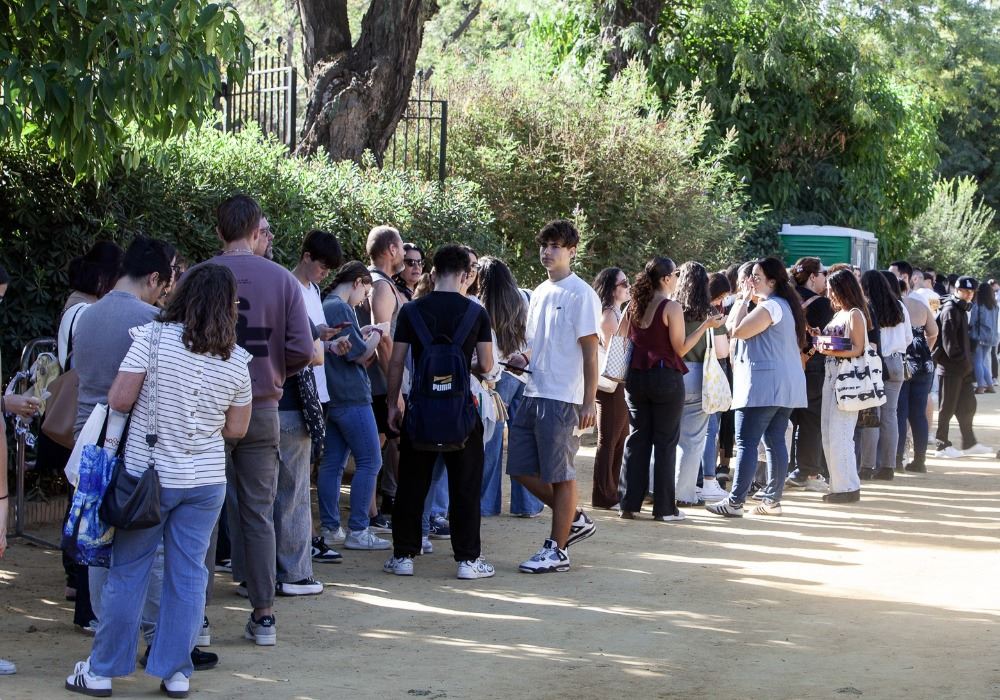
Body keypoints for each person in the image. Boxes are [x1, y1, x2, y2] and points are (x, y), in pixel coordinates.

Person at [65, 264, 253, 698]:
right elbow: (237, 428)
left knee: (128, 572)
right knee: (188, 577)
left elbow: (119, 399)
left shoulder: (151, 340)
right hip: (206, 481)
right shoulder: (237, 360)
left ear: (183, 295)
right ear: (227, 307)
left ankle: (102, 670)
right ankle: (176, 671)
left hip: (147, 479)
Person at [206, 195, 314, 646]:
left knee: (203, 512)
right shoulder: (283, 279)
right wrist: (275, 372)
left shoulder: (199, 276)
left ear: (219, 231)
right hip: (263, 404)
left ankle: (197, 617)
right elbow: (303, 349)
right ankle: (264, 614)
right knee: (259, 512)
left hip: (207, 409)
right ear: (256, 232)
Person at [383, 244, 496, 579]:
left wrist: (392, 403)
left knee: (411, 484)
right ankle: (467, 560)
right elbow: (487, 364)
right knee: (465, 485)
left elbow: (397, 362)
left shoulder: (411, 311)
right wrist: (460, 366)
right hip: (461, 411)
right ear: (465, 275)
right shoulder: (476, 312)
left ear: (433, 273)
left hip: (421, 409)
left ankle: (403, 556)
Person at [505, 220, 601, 573]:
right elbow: (536, 343)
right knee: (520, 469)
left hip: (563, 396)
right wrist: (523, 358)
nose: (548, 252)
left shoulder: (582, 294)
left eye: (556, 245)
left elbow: (590, 352)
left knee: (561, 474)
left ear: (572, 251)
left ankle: (557, 550)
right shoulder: (540, 291)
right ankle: (573, 518)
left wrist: (589, 401)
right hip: (532, 390)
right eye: (544, 245)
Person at [271, 230, 345, 597]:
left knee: (298, 483)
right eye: (321, 266)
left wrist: (327, 344)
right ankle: (292, 569)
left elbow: (311, 343)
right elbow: (297, 344)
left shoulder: (313, 291)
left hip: (315, 392)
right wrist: (317, 341)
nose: (323, 273)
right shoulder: (288, 287)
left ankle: (288, 559)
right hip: (294, 395)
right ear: (306, 256)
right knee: (292, 488)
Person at [707, 257, 807, 517]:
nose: (751, 281)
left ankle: (735, 501)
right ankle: (772, 500)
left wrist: (743, 299)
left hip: (763, 385)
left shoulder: (770, 306)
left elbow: (736, 330)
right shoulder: (783, 305)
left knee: (746, 442)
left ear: (772, 281)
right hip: (783, 385)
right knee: (774, 441)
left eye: (757, 277)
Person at [316, 262, 387, 553]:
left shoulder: (326, 304)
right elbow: (360, 354)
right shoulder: (340, 307)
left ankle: (331, 527)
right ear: (358, 282)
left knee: (332, 462)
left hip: (333, 396)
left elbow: (350, 345)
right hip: (352, 396)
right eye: (366, 292)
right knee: (371, 460)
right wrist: (379, 333)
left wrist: (363, 332)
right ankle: (359, 528)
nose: (363, 300)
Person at [479, 256, 544, 517]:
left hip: (497, 375)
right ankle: (527, 504)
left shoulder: (482, 304)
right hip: (523, 374)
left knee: (491, 443)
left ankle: (485, 504)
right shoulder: (524, 298)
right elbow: (535, 338)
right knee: (524, 440)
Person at [356, 225, 409, 530]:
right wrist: (395, 390)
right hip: (380, 384)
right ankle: (371, 516)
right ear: (391, 249)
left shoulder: (378, 284)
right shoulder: (381, 286)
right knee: (375, 452)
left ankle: (373, 514)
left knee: (375, 450)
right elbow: (382, 339)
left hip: (380, 383)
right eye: (401, 247)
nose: (403, 253)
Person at [673, 262, 728, 507]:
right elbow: (723, 351)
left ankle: (656, 487)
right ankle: (684, 493)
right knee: (693, 440)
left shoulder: (671, 308)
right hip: (699, 376)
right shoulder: (710, 313)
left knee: (667, 436)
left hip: (672, 373)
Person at [814, 270, 870, 503]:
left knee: (841, 434)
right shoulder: (840, 314)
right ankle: (839, 485)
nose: (828, 293)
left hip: (846, 376)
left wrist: (830, 350)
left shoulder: (855, 314)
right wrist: (820, 338)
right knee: (829, 433)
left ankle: (847, 487)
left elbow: (858, 348)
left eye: (831, 289)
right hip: (831, 373)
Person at [786, 257, 834, 493]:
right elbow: (826, 338)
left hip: (787, 364)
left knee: (786, 418)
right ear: (813, 277)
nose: (825, 278)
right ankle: (807, 470)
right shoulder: (823, 304)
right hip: (813, 365)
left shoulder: (787, 299)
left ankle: (781, 468)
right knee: (811, 420)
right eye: (823, 273)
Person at [858, 271, 910, 481]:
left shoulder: (866, 307)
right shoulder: (899, 306)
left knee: (872, 414)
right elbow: (908, 338)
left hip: (876, 362)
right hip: (897, 363)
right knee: (890, 414)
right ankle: (888, 466)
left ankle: (867, 466)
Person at [934, 276, 992, 458]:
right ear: (956, 290)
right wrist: (963, 361)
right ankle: (941, 445)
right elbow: (949, 344)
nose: (968, 294)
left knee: (968, 405)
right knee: (947, 408)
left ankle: (969, 442)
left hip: (962, 368)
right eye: (965, 291)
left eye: (971, 292)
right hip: (951, 368)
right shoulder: (951, 310)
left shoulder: (961, 309)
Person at [590, 267, 631, 510]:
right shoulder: (608, 315)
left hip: (618, 383)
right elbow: (616, 350)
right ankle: (603, 494)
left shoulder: (616, 313)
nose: (628, 287)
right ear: (611, 288)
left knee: (619, 438)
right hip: (609, 385)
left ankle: (611, 490)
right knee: (609, 439)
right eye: (623, 283)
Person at [896, 265, 938, 473]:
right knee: (918, 413)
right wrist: (925, 349)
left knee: (900, 411)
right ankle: (920, 460)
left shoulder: (892, 306)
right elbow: (934, 332)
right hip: (923, 361)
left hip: (902, 361)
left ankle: (896, 460)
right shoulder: (920, 304)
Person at [698, 272, 732, 502]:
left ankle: (693, 480)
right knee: (710, 430)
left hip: (685, 374)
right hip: (710, 377)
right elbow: (722, 351)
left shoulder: (682, 308)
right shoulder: (712, 314)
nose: (722, 301)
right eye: (721, 296)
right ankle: (708, 479)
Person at [969, 282, 998, 393]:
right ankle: (990, 385)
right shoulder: (995, 307)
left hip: (979, 336)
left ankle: (981, 386)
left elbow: (972, 322)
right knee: (981, 362)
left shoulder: (978, 305)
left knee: (977, 362)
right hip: (991, 337)